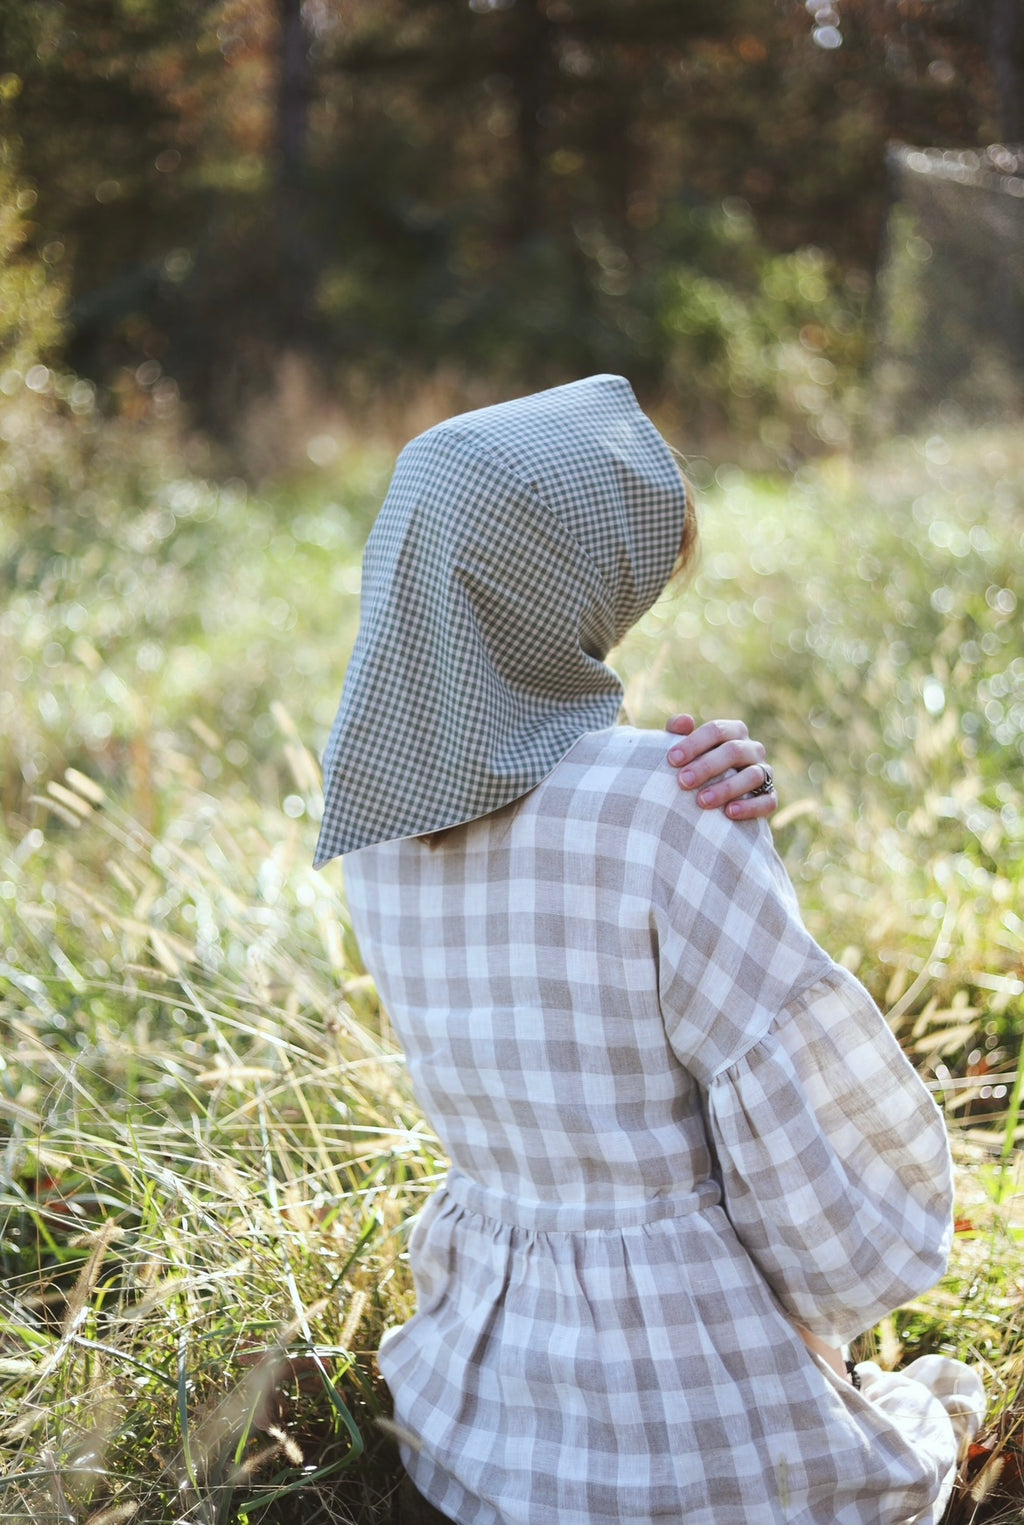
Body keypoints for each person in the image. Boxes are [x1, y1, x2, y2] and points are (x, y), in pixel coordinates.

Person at [314, 375, 984, 1525]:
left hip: (488, 1413)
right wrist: (841, 1302)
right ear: (568, 587)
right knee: (923, 1419)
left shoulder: (366, 815)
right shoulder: (664, 802)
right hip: (687, 1394)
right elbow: (800, 1150)